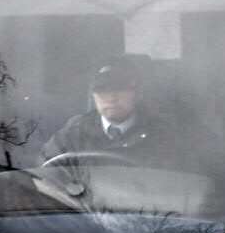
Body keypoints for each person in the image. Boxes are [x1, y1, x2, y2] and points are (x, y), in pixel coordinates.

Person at [42, 58, 187, 166]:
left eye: (120, 88)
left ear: (137, 93)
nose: (111, 98)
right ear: (93, 95)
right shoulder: (73, 135)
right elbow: (44, 180)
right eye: (101, 89)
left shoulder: (163, 136)